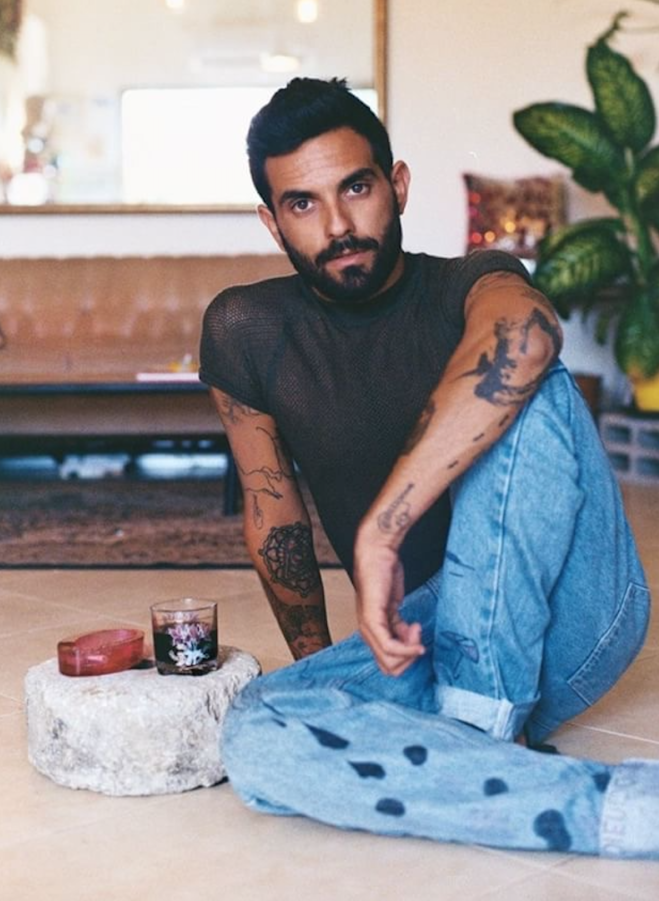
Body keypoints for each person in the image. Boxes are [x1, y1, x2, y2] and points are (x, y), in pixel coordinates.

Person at [199, 77, 656, 859]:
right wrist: (331, 676)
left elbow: (525, 336)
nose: (338, 225)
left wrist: (382, 531)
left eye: (356, 188)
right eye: (303, 204)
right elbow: (273, 516)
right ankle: (611, 806)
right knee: (258, 731)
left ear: (397, 185)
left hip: (571, 613)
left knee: (523, 372)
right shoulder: (246, 329)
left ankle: (476, 714)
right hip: (422, 638)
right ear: (272, 222)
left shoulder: (472, 282)